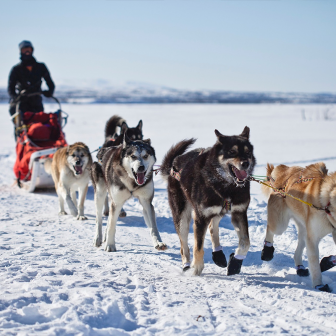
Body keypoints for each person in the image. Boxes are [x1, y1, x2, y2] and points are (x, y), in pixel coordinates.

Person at [8, 40, 55, 117]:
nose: (27, 52)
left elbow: (50, 83)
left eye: (29, 49)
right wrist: (15, 97)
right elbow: (11, 87)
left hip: (36, 103)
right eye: (24, 50)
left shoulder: (41, 67)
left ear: (32, 50)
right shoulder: (16, 69)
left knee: (38, 125)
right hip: (21, 104)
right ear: (20, 51)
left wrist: (50, 92)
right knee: (21, 126)